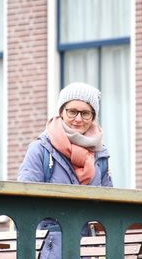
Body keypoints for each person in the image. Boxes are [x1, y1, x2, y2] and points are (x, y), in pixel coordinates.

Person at [17, 82, 113, 258]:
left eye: (85, 113)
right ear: (61, 112)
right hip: (50, 250)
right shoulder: (40, 149)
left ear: (93, 116)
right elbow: (24, 203)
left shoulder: (101, 155)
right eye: (72, 111)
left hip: (89, 249)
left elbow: (109, 206)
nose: (78, 119)